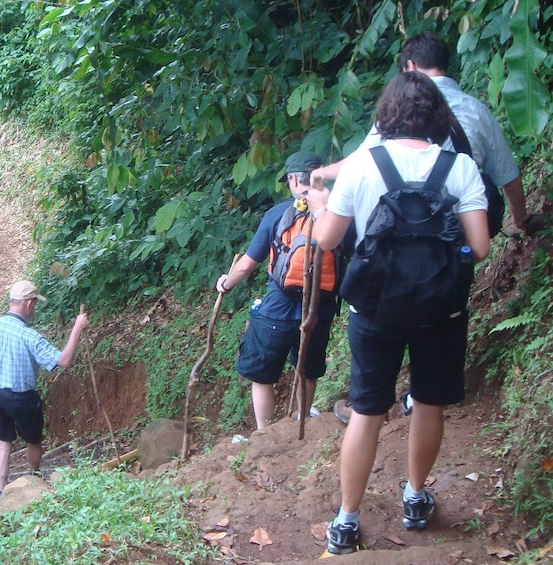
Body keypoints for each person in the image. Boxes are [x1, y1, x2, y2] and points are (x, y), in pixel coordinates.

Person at [306, 71, 490, 555]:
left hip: (375, 310)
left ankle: (346, 522)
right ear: (438, 117)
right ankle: (414, 497)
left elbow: (326, 240)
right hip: (440, 309)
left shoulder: (364, 166)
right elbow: (481, 246)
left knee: (367, 410)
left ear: (385, 115)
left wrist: (324, 204)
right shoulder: (461, 168)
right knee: (429, 402)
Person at [312, 31, 529, 233]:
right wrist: (520, 220)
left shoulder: (400, 110)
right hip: (461, 229)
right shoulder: (478, 112)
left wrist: (322, 174)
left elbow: (358, 162)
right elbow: (508, 176)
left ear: (411, 66)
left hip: (404, 229)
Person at [217, 151, 351, 430]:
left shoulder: (278, 214)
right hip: (319, 310)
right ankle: (302, 421)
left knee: (262, 377)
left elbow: (245, 266)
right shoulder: (339, 214)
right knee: (307, 371)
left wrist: (226, 283)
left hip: (276, 310)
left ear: (292, 180)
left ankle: (265, 432)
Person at [0, 280, 89, 495]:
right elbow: (63, 361)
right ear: (27, 303)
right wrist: (77, 328)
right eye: (34, 302)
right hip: (22, 398)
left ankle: (0, 493)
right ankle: (34, 476)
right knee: (34, 440)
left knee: (3, 445)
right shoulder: (30, 336)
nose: (34, 307)